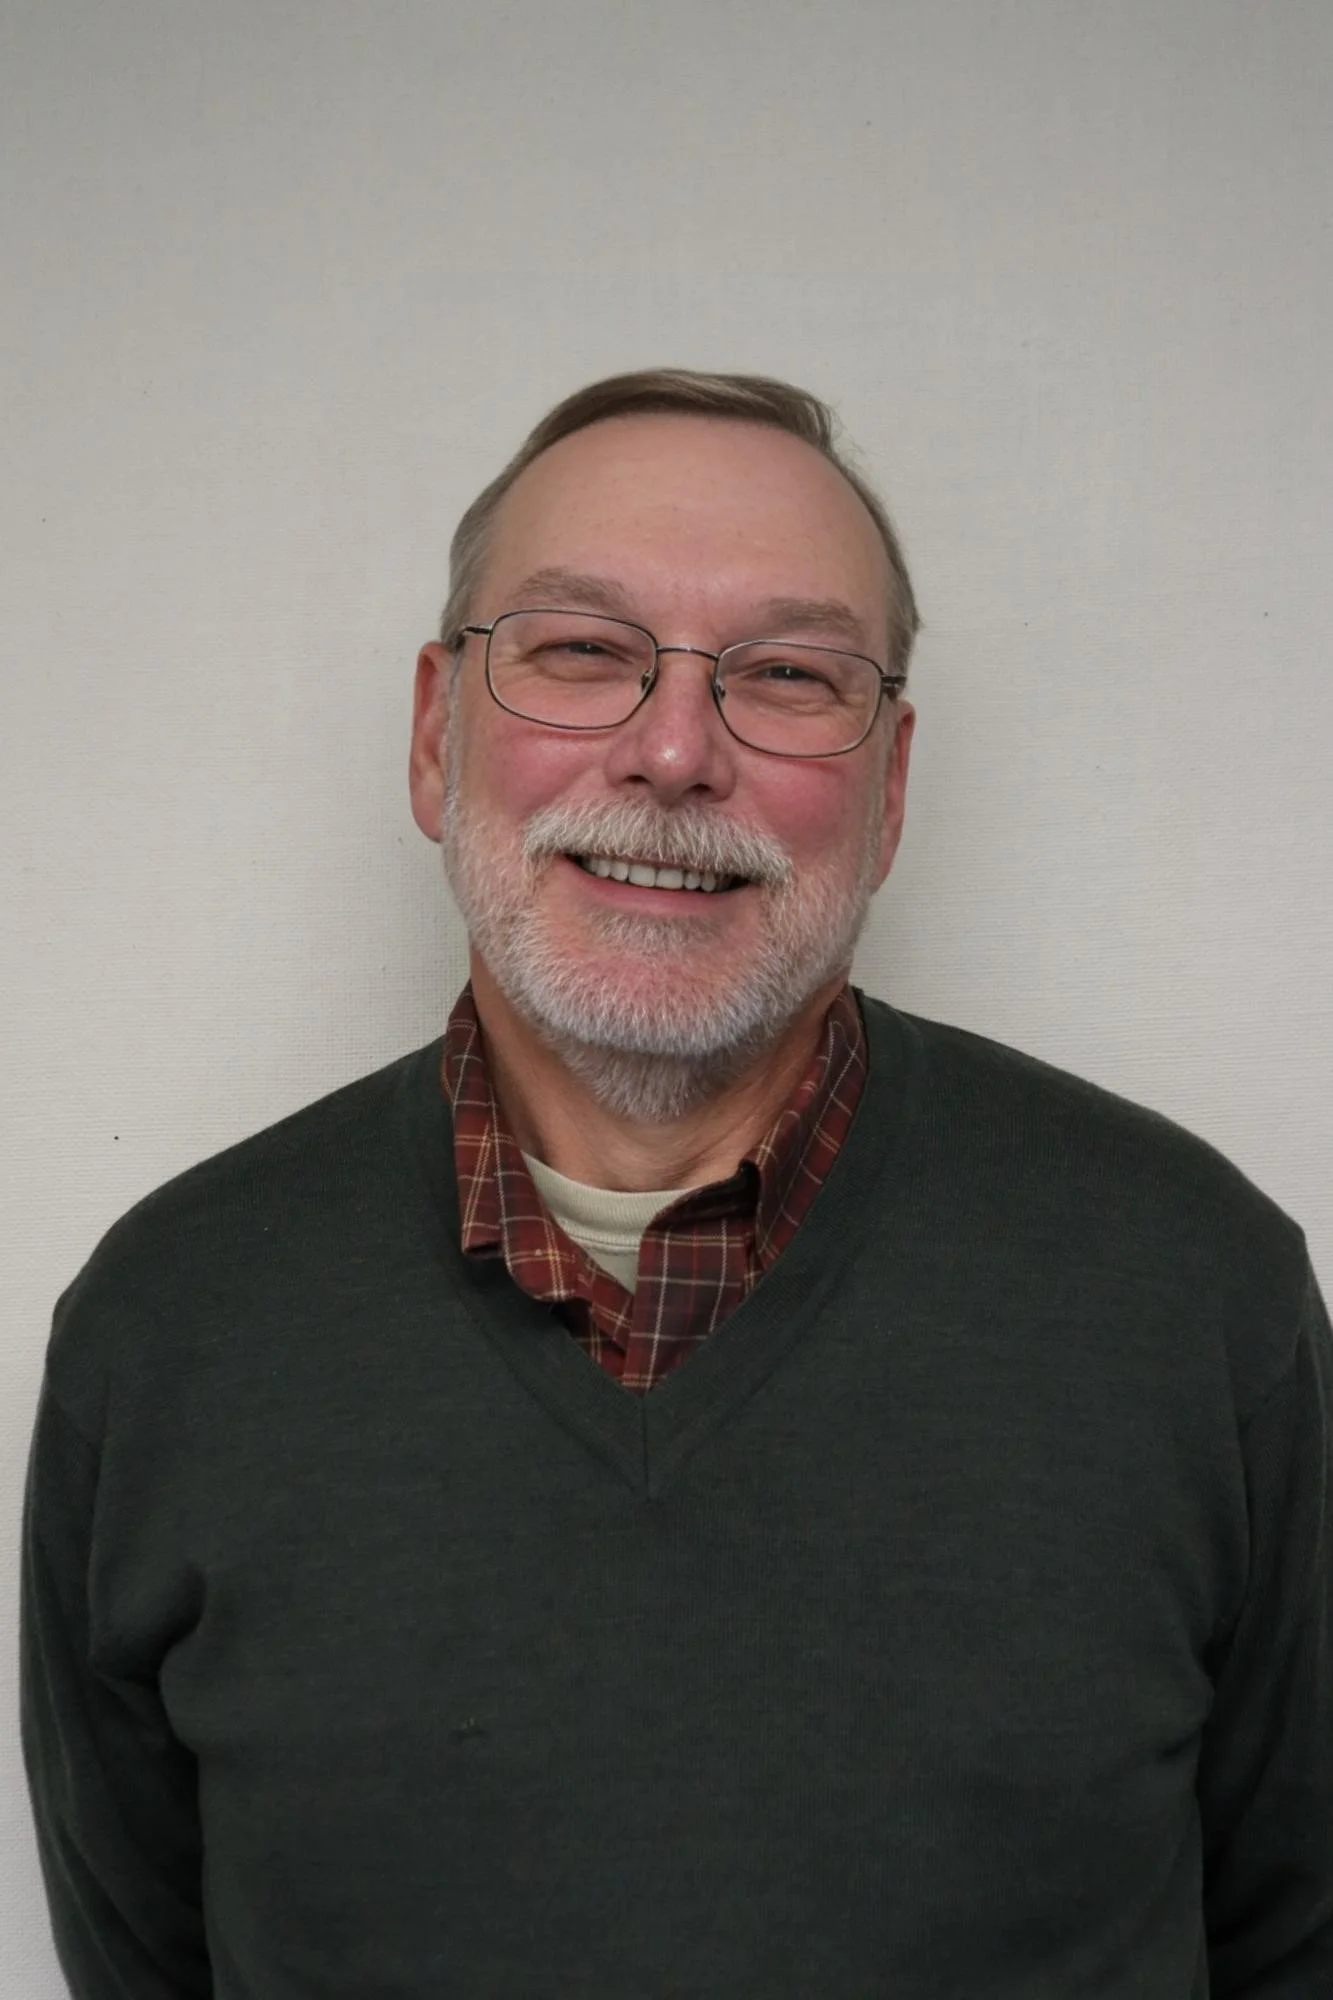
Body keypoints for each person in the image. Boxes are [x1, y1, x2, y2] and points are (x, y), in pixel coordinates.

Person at [21, 368, 1332, 2000]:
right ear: (435, 735)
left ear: (891, 785)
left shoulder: (1195, 1298)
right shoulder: (168, 1330)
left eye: (786, 675)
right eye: (581, 650)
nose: (672, 749)